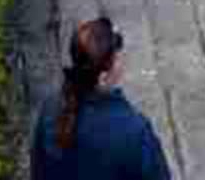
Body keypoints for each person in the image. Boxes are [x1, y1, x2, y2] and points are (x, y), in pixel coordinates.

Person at [31, 17, 171, 180]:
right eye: (117, 58)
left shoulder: (49, 110)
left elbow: (38, 170)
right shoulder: (135, 133)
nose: (121, 61)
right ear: (103, 78)